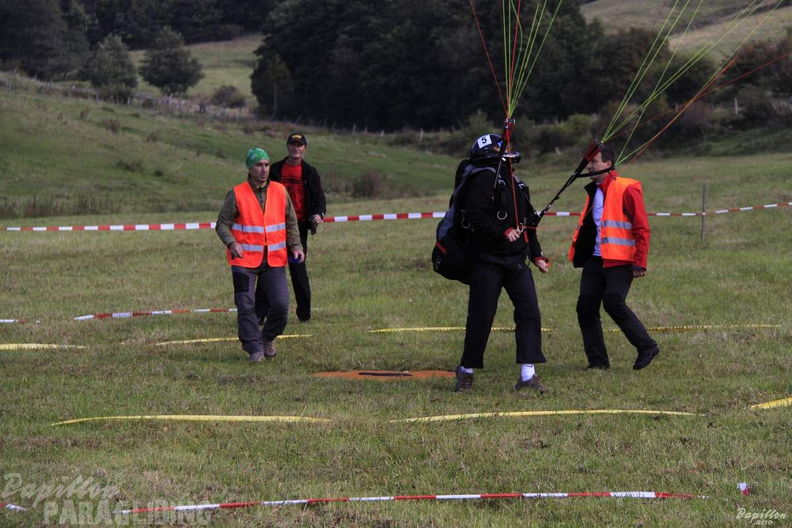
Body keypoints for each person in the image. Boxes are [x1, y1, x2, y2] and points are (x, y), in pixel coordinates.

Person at [454, 133, 550, 393]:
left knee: (529, 313)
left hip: (517, 261)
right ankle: (466, 370)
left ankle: (528, 375)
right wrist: (501, 231)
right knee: (482, 316)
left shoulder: (517, 183)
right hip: (487, 261)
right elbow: (475, 215)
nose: (508, 151)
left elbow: (528, 223)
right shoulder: (483, 178)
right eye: (502, 148)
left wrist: (537, 255)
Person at [568, 143, 660, 370]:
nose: (589, 167)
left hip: (620, 260)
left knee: (612, 301)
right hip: (595, 259)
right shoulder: (593, 191)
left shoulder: (627, 188)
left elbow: (642, 227)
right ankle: (598, 362)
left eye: (594, 162)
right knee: (585, 307)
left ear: (608, 164)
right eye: (589, 162)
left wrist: (640, 261)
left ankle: (647, 346)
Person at [216, 147, 305, 363]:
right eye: (259, 165)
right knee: (245, 304)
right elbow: (221, 224)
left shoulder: (280, 191)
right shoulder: (236, 194)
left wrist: (296, 245)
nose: (264, 169)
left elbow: (291, 222)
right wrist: (232, 243)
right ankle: (254, 348)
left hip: (273, 260)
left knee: (281, 305)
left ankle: (266, 338)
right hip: (243, 260)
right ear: (250, 167)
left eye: (266, 164)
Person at [257, 132, 326, 323]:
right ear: (288, 147)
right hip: (274, 229)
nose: (296, 148)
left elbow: (320, 199)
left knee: (297, 271)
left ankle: (304, 315)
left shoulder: (310, 172)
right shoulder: (276, 170)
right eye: (292, 144)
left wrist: (318, 215)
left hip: (298, 229)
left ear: (304, 148)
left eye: (299, 145)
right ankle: (259, 314)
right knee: (268, 268)